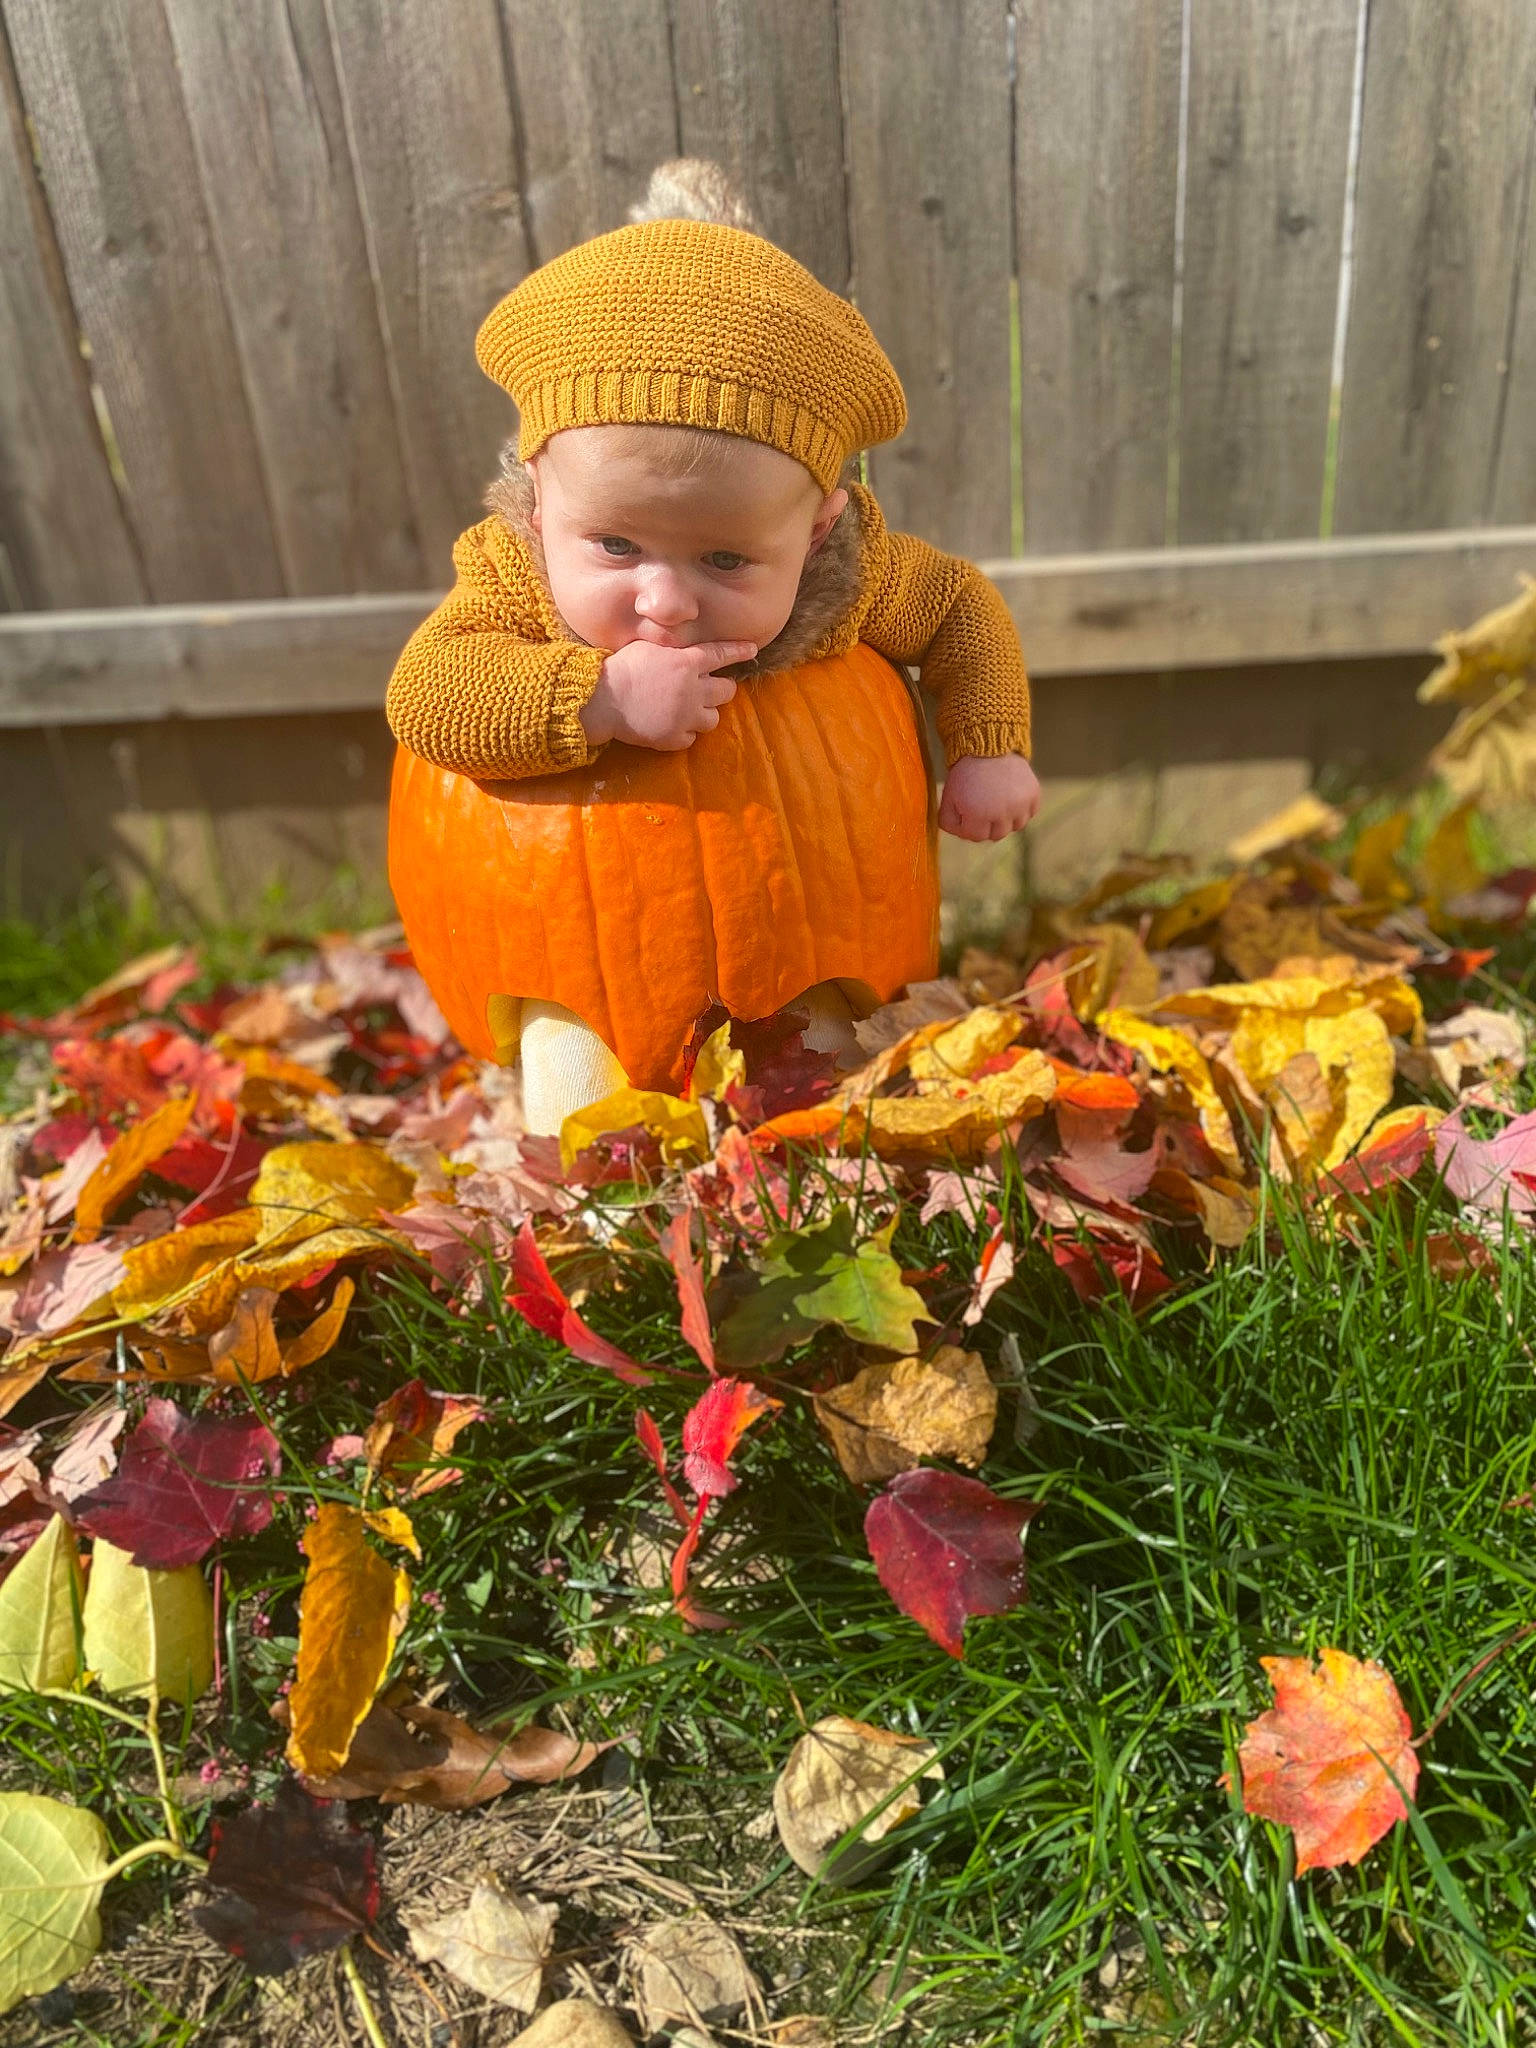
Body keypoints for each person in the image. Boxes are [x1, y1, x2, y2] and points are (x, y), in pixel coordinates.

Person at [386, 162, 1038, 1135]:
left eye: (726, 558)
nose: (664, 599)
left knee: (820, 1036)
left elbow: (958, 605)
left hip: (803, 945)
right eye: (615, 545)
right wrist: (592, 702)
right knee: (576, 1059)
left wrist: (989, 743)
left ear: (815, 532)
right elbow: (426, 696)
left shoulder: (846, 581)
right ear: (539, 491)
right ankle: (589, 1161)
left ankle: (807, 1121)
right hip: (568, 968)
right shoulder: (513, 580)